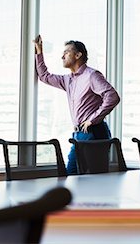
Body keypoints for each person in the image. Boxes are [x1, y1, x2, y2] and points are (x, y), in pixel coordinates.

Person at [33, 35, 120, 174]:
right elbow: (45, 77)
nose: (62, 57)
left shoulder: (92, 75)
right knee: (72, 174)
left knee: (94, 179)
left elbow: (112, 96)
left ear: (78, 55)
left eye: (66, 53)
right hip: (79, 134)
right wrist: (39, 52)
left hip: (94, 132)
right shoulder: (68, 80)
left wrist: (92, 120)